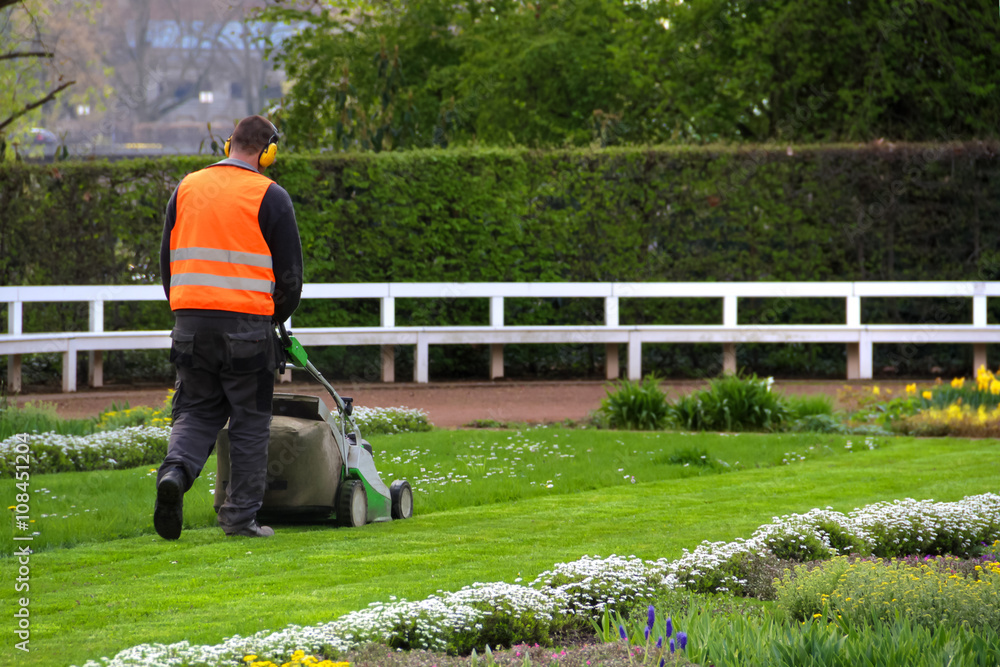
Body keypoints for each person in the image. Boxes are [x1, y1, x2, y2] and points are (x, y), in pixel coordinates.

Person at [154, 115, 302, 539]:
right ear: (268, 151)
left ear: (228, 145)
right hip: (248, 330)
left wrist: (185, 311)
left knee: (196, 411)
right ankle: (239, 519)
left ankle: (175, 477)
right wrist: (273, 318)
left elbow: (167, 263)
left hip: (190, 325)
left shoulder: (186, 187)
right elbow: (291, 277)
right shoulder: (270, 196)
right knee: (250, 422)